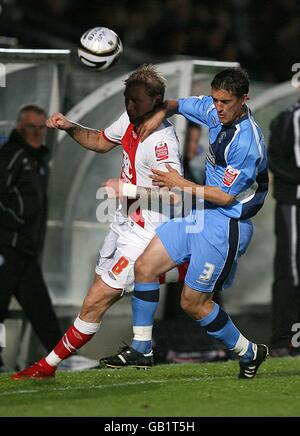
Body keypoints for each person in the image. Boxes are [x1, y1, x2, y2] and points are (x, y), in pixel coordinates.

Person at [12, 64, 183, 379]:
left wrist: (127, 188)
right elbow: (101, 141)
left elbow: (174, 195)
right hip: (122, 224)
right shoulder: (130, 121)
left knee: (97, 298)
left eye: (137, 101)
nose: (130, 106)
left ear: (157, 100)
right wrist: (69, 126)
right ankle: (144, 342)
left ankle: (47, 365)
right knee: (96, 293)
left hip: (145, 232)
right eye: (126, 99)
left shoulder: (162, 141)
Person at [100, 68, 270, 379]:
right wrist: (157, 114)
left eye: (226, 102)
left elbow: (224, 197)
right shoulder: (211, 109)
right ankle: (142, 348)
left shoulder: (247, 142)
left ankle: (248, 351)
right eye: (216, 99)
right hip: (199, 213)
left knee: (193, 303)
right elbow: (175, 104)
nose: (218, 108)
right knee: (145, 267)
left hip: (226, 225)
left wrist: (178, 182)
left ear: (244, 99)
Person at [0, 104, 98, 372]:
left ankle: (64, 358)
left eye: (41, 127)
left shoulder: (37, 160)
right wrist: (16, 224)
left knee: (41, 310)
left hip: (25, 251)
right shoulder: (11, 155)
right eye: (31, 127)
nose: (36, 133)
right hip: (7, 246)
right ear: (20, 128)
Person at [268, 95, 300, 357]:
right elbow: (280, 162)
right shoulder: (292, 117)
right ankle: (286, 338)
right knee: (291, 267)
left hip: (291, 201)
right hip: (294, 203)